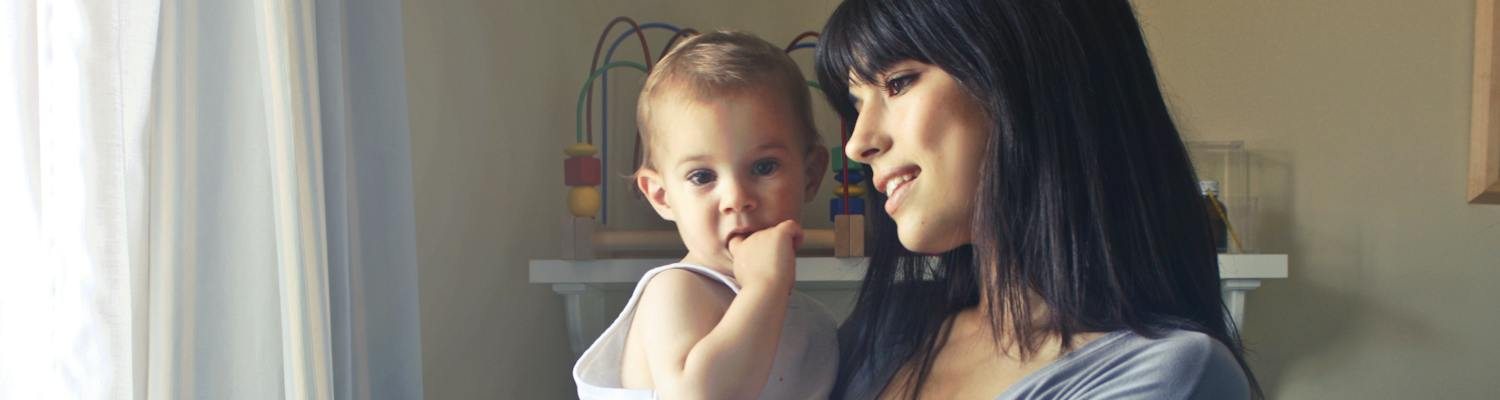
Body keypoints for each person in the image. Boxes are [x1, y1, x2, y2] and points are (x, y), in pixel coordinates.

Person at [812, 0, 1263, 399]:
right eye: (855, 104)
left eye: (898, 83)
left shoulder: (1170, 374)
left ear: (1026, 74)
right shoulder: (887, 331)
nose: (858, 143)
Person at [571, 31, 838, 400]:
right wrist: (765, 288)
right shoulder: (678, 290)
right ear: (662, 196)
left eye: (763, 167)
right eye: (702, 176)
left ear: (810, 175)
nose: (737, 198)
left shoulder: (808, 319)